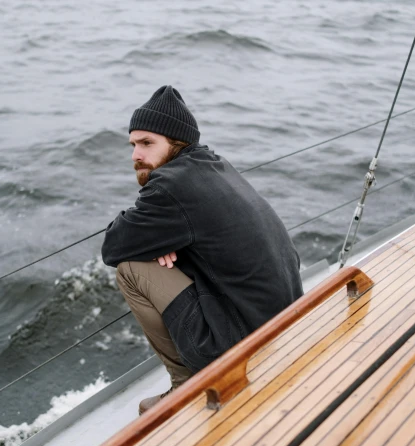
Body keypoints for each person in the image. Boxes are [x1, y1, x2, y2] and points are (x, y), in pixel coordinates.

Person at [101, 85, 303, 415]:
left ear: (177, 143)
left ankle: (186, 384)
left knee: (131, 269)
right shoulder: (215, 165)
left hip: (247, 341)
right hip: (289, 318)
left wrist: (160, 244)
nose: (135, 154)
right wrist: (168, 242)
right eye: (133, 144)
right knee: (150, 253)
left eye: (147, 143)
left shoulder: (170, 185)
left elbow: (112, 247)